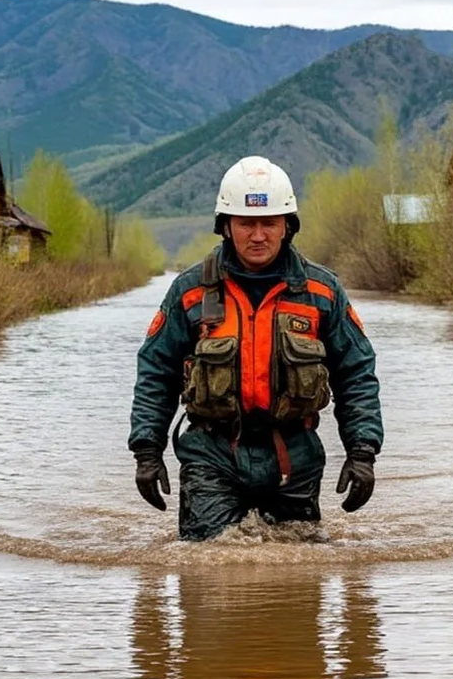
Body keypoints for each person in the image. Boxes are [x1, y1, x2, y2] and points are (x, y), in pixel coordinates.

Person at [128, 155, 384, 541]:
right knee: (206, 567)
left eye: (269, 223)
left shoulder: (322, 291)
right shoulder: (190, 291)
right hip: (210, 452)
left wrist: (362, 452)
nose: (259, 234)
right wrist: (148, 451)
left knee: (298, 573)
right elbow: (156, 371)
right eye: (247, 223)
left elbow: (356, 373)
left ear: (288, 226)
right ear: (226, 227)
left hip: (294, 455)